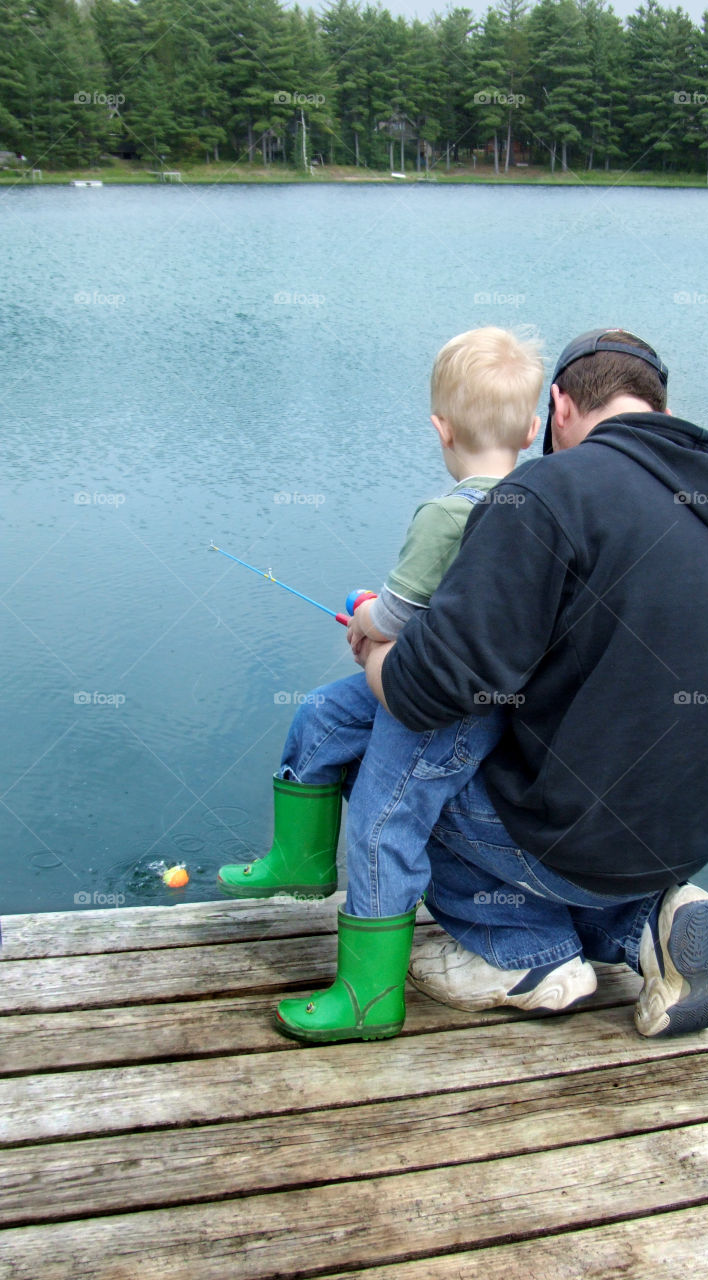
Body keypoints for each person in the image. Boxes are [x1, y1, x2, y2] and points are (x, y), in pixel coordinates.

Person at [356, 328, 708, 1037]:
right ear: (656, 405)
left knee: (401, 760)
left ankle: (524, 954)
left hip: (569, 839)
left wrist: (376, 655)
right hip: (688, 833)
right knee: (582, 796)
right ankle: (647, 926)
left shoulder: (548, 492)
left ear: (557, 408)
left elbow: (428, 687)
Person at [216, 326, 542, 1043]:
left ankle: (369, 995)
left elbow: (396, 610)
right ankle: (299, 861)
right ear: (531, 427)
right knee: (325, 715)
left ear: (441, 427)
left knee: (379, 824)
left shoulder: (446, 512)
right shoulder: (539, 508)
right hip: (460, 690)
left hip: (436, 710)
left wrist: (365, 612)